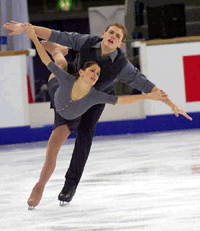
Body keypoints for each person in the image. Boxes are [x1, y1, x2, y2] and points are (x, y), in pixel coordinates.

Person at [3, 21, 192, 207]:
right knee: (59, 66)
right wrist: (26, 29)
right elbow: (56, 34)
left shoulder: (121, 65)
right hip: (72, 85)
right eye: (111, 32)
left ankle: (70, 186)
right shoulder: (86, 42)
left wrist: (171, 104)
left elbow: (145, 85)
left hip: (97, 98)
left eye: (118, 36)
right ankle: (59, 51)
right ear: (104, 34)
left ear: (120, 44)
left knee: (85, 136)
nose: (113, 36)